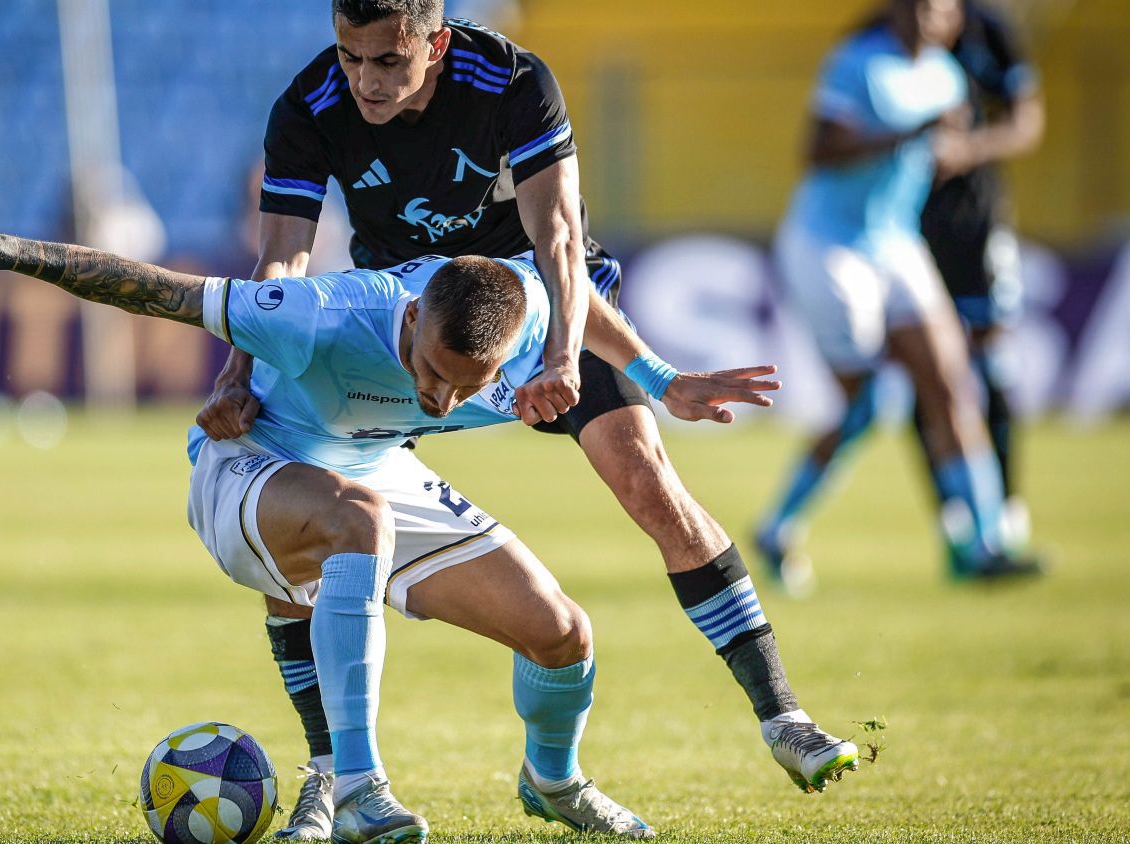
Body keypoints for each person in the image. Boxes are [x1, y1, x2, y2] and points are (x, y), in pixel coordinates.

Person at [0, 197, 861, 843]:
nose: (444, 399)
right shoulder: (323, 314)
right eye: (433, 372)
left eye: (470, 386)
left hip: (370, 468)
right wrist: (2, 249)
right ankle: (357, 785)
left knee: (563, 635)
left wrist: (661, 378)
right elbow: (157, 289)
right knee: (356, 519)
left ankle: (554, 784)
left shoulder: (520, 309)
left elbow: (572, 301)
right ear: (409, 322)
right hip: (248, 468)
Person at [197, 3, 858, 835]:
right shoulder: (310, 103)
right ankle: (330, 775)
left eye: (387, 61)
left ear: (435, 43)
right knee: (306, 470)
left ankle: (784, 717)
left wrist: (582, 362)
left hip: (543, 313)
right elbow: (281, 262)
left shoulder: (510, 80)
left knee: (649, 482)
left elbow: (558, 242)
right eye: (350, 56)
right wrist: (239, 373)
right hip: (418, 326)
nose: (364, 80)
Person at [757, 0, 1041, 592]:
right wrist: (907, 135)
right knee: (863, 406)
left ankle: (988, 544)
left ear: (954, 18)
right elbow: (818, 150)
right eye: (916, 6)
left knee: (952, 384)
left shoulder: (947, 75)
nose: (926, 16)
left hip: (895, 243)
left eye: (938, 8)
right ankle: (777, 526)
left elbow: (945, 153)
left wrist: (954, 151)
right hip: (830, 245)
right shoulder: (858, 63)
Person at [918, 0, 1044, 555]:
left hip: (977, 221)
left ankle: (1006, 510)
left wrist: (967, 149)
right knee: (923, 370)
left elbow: (1025, 121)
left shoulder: (988, 29)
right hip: (905, 227)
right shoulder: (878, 33)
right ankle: (953, 513)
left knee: (992, 362)